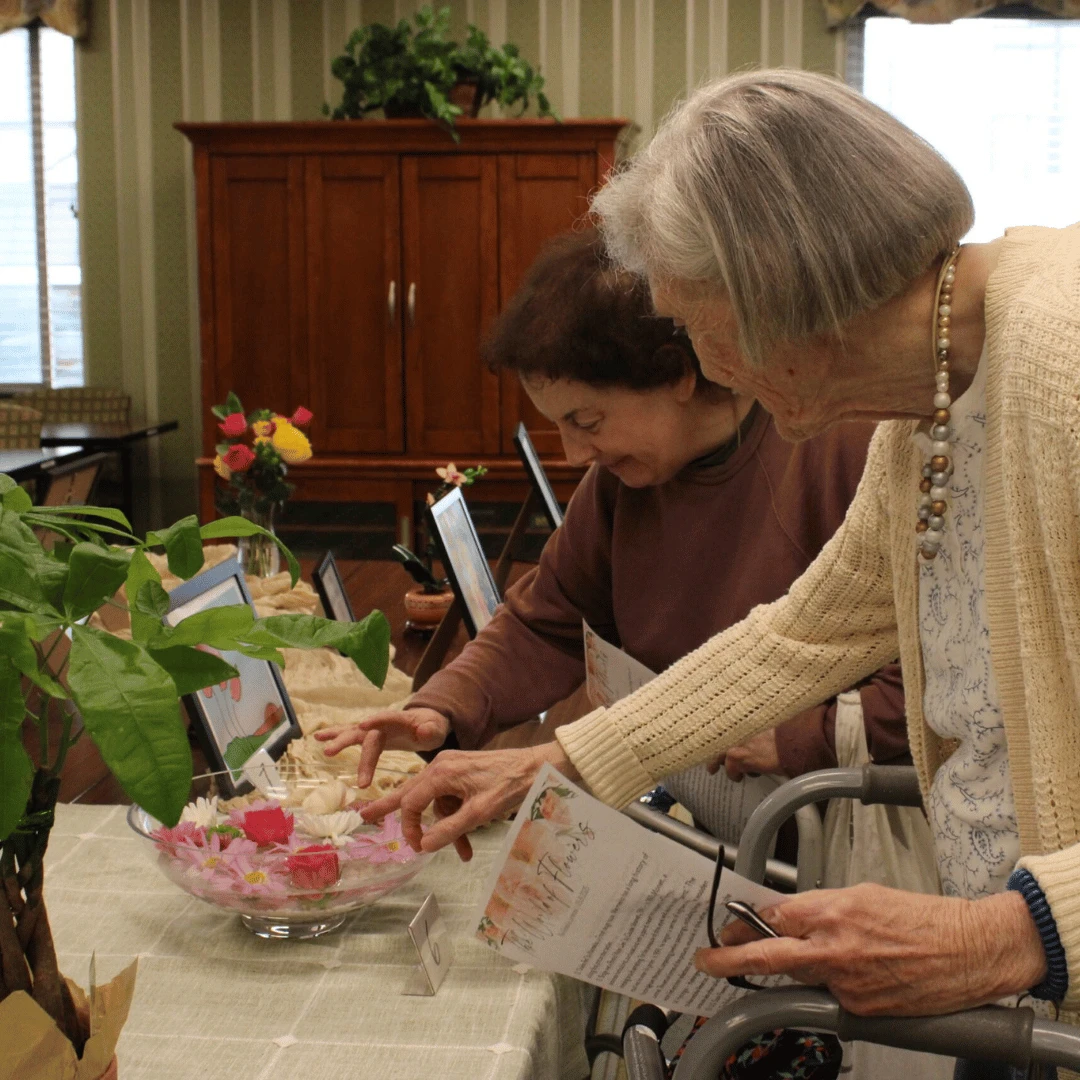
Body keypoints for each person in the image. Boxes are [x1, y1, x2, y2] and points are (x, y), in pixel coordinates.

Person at [362, 70, 1080, 1052]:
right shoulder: (929, 413)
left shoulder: (1063, 359)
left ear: (781, 290)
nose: (703, 365)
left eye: (697, 325)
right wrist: (564, 757)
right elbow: (802, 636)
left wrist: (1024, 932)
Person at [317, 231, 908, 857]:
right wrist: (444, 707)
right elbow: (545, 621)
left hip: (842, 848)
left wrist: (797, 737)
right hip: (722, 831)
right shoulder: (620, 483)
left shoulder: (844, 452)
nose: (574, 454)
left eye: (588, 421)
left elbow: (930, 688)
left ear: (681, 374)